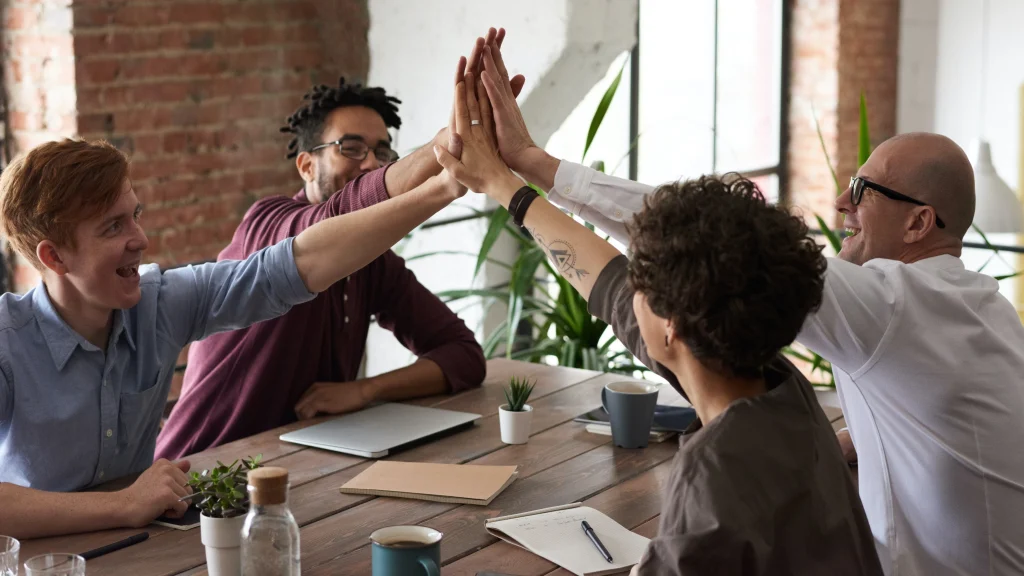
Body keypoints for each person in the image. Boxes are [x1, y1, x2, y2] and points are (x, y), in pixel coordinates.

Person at [470, 30, 1024, 575]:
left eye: (861, 190)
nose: (839, 201)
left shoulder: (891, 307)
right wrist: (856, 442)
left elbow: (698, 240)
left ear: (919, 222)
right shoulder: (978, 309)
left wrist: (528, 168)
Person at [432, 54, 882, 574]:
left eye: (640, 281)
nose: (629, 289)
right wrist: (509, 184)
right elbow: (608, 286)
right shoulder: (780, 390)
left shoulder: (716, 475)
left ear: (673, 324)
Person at [0, 118, 466, 537]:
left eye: (136, 215)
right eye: (112, 227)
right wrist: (122, 505)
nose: (140, 239)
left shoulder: (159, 303)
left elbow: (298, 263)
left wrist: (443, 187)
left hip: (146, 552)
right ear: (54, 257)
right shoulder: (7, 341)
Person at [157, 33, 526, 459]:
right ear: (306, 164)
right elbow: (338, 218)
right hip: (201, 478)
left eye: (382, 151)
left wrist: (365, 390)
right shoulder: (268, 224)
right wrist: (447, 147)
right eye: (351, 148)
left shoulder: (374, 263)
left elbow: (462, 356)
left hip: (306, 471)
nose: (370, 162)